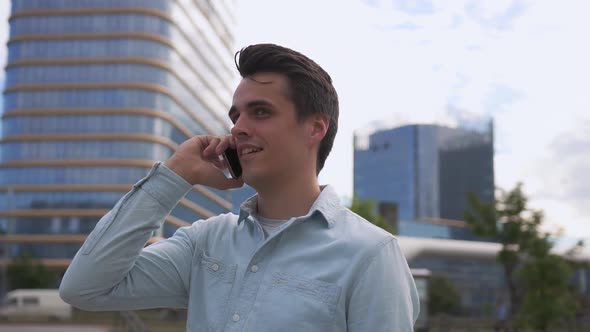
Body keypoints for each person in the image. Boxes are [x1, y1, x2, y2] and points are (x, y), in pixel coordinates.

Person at [59, 43, 419, 331]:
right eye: (236, 115)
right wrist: (175, 175)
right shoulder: (205, 241)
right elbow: (84, 289)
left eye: (260, 112)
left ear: (315, 128)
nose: (238, 127)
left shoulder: (371, 254)